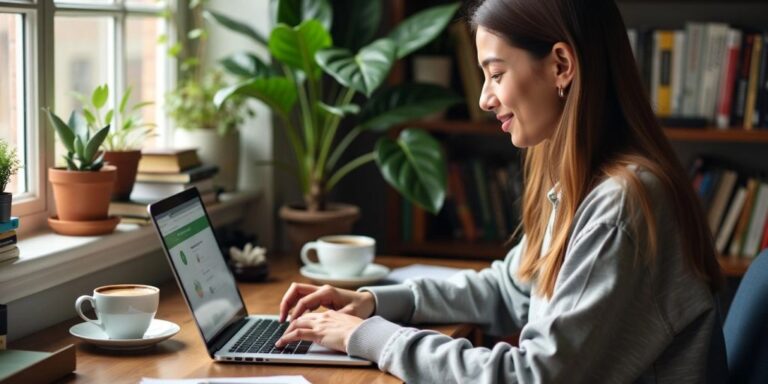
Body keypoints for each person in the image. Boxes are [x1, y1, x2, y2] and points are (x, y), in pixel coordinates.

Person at [275, 0, 727, 382]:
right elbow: (509, 289)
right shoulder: (582, 182)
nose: (484, 99)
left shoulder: (620, 204)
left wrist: (369, 338)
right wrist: (375, 303)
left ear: (561, 66)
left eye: (495, 74)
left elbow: (533, 375)